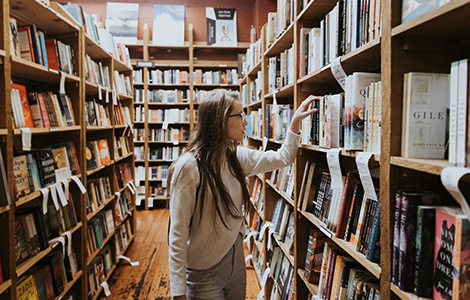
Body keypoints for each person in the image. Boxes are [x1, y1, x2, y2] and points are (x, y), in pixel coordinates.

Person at [168, 89, 317, 300]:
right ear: (220, 121)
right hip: (204, 272)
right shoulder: (189, 168)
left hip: (235, 261)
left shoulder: (237, 156)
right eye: (239, 115)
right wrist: (178, 292)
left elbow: (283, 157)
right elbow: (178, 231)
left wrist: (293, 125)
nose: (246, 121)